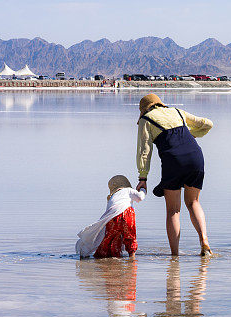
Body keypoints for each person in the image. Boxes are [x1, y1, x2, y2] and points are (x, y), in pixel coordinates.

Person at [136, 93, 214, 256]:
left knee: (173, 210)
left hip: (173, 160)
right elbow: (207, 123)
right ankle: (204, 241)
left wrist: (143, 178)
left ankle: (175, 256)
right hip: (196, 157)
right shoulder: (177, 112)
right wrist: (191, 133)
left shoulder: (147, 119)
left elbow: (144, 151)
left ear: (144, 110)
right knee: (193, 202)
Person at [76, 175, 145, 258]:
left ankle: (105, 258)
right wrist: (143, 189)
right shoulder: (128, 190)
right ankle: (132, 258)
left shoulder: (112, 197)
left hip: (113, 218)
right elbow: (140, 197)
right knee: (130, 237)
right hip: (127, 214)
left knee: (111, 239)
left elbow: (108, 212)